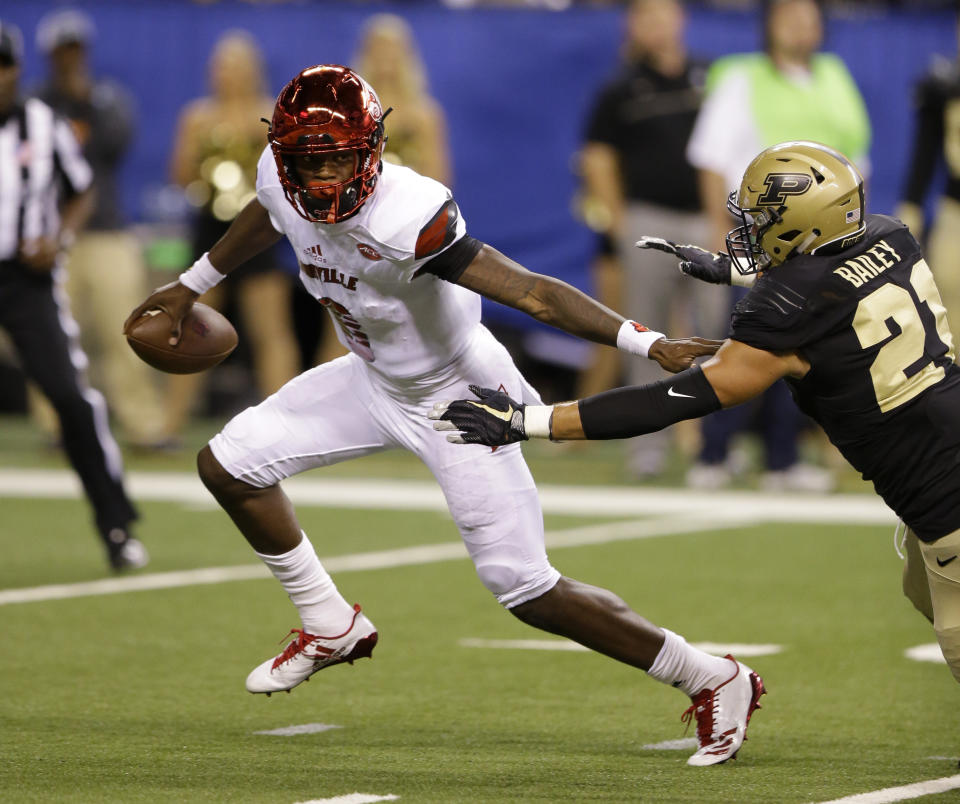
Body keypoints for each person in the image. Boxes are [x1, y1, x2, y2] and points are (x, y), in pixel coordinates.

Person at [124, 65, 762, 767]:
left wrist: (649, 342)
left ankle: (714, 677)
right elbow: (269, 211)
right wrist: (191, 285)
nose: (324, 177)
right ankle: (328, 622)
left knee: (523, 587)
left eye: (338, 158)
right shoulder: (280, 176)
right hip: (373, 378)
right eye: (310, 161)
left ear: (371, 151)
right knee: (228, 466)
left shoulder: (409, 212)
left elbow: (535, 294)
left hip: (460, 394)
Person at [432, 140, 960, 691]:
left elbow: (675, 399)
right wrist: (732, 272)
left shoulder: (785, 310)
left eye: (762, 219)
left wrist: (530, 421)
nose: (750, 228)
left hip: (943, 496)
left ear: (801, 221)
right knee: (920, 589)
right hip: (944, 437)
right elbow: (830, 286)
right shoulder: (889, 235)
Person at [684, 0, 871, 491]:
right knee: (741, 343)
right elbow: (709, 157)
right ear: (769, 25)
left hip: (823, 241)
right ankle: (714, 454)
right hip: (759, 236)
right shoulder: (742, 79)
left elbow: (855, 157)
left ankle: (782, 461)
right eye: (790, 16)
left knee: (804, 348)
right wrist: (713, 226)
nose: (801, 26)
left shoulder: (833, 76)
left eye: (809, 17)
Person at [0, 21, 146, 571]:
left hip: (24, 280)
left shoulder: (43, 123)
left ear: (15, 70)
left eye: (1, 66)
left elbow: (81, 189)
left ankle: (115, 524)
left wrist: (57, 238)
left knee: (70, 397)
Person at [578, 0, 728, 477]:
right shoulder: (620, 88)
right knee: (647, 337)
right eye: (646, 17)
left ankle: (715, 445)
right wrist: (620, 222)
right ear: (633, 26)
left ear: (681, 19)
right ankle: (648, 447)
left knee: (719, 335)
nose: (657, 25)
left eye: (664, 14)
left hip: (708, 223)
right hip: (649, 222)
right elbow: (597, 158)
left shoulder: (713, 76)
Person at [28, 8, 169, 450]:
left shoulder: (106, 98)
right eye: (63, 50)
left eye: (76, 49)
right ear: (49, 54)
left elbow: (115, 145)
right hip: (50, 235)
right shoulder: (34, 104)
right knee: (52, 335)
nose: (70, 57)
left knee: (125, 330)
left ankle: (143, 425)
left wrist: (82, 98)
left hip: (107, 230)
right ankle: (58, 426)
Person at [164, 30, 300, 438]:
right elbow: (180, 176)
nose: (229, 75)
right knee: (188, 328)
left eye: (237, 67)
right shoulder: (198, 116)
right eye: (222, 67)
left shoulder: (269, 115)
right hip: (209, 228)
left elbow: (285, 175)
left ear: (253, 71)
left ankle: (289, 423)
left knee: (270, 331)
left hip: (258, 230)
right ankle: (170, 423)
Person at [896, 24, 960, 339]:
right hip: (956, 217)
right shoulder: (944, 85)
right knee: (951, 321)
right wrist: (910, 217)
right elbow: (923, 158)